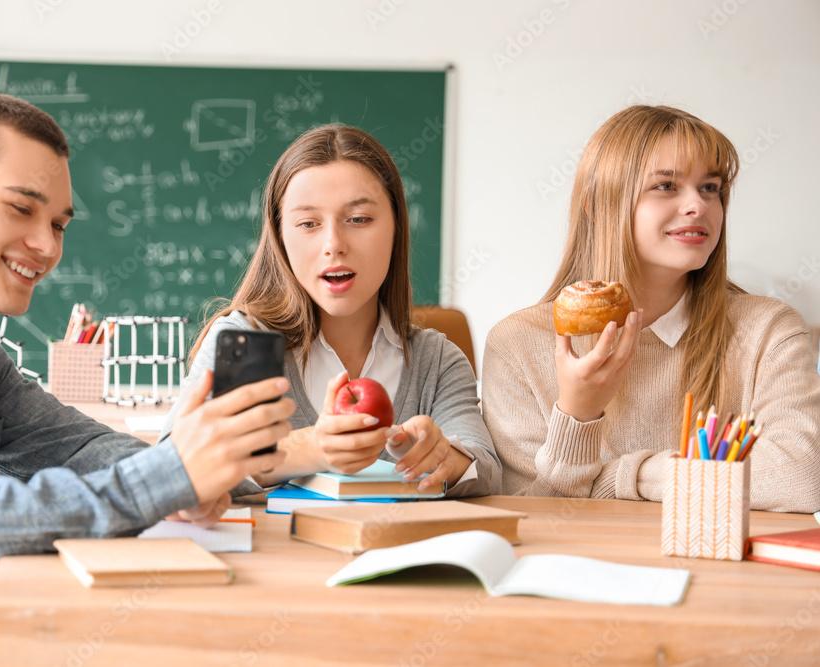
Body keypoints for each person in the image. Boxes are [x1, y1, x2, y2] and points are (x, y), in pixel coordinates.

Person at [0, 93, 293, 667]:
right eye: (22, 209)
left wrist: (193, 469)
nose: (47, 246)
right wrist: (167, 475)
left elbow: (82, 446)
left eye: (58, 224)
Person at [481, 105, 820, 512]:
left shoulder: (769, 331)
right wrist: (578, 413)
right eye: (666, 186)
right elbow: (526, 515)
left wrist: (619, 478)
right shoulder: (518, 344)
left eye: (710, 188)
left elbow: (799, 478)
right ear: (596, 204)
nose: (699, 205)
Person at [158, 124, 501, 498]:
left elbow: (486, 471)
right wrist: (307, 449)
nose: (333, 244)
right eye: (307, 224)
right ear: (280, 236)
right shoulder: (246, 343)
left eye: (358, 220)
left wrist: (444, 459)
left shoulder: (436, 360)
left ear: (396, 228)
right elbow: (169, 472)